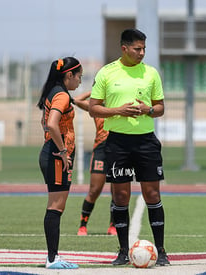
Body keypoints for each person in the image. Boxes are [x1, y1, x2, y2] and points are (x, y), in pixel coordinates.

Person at [89, 28, 169, 266]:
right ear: (124, 48)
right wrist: (118, 111)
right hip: (117, 143)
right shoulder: (106, 72)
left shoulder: (151, 73)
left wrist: (149, 110)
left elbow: (161, 108)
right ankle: (123, 251)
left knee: (152, 194)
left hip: (146, 142)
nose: (142, 53)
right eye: (137, 49)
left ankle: (162, 251)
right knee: (121, 195)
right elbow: (94, 107)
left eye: (144, 48)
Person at [37, 57, 83, 269]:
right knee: (55, 206)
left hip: (55, 154)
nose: (80, 81)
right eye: (79, 77)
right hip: (57, 157)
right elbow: (51, 124)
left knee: (58, 206)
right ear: (69, 75)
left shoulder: (55, 92)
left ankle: (53, 256)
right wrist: (63, 151)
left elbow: (44, 122)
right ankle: (52, 258)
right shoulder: (62, 95)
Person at [73, 91, 117, 236]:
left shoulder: (120, 106)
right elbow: (77, 99)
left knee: (117, 191)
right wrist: (94, 92)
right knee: (94, 190)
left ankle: (113, 226)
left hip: (118, 149)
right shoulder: (96, 108)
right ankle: (83, 226)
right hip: (101, 150)